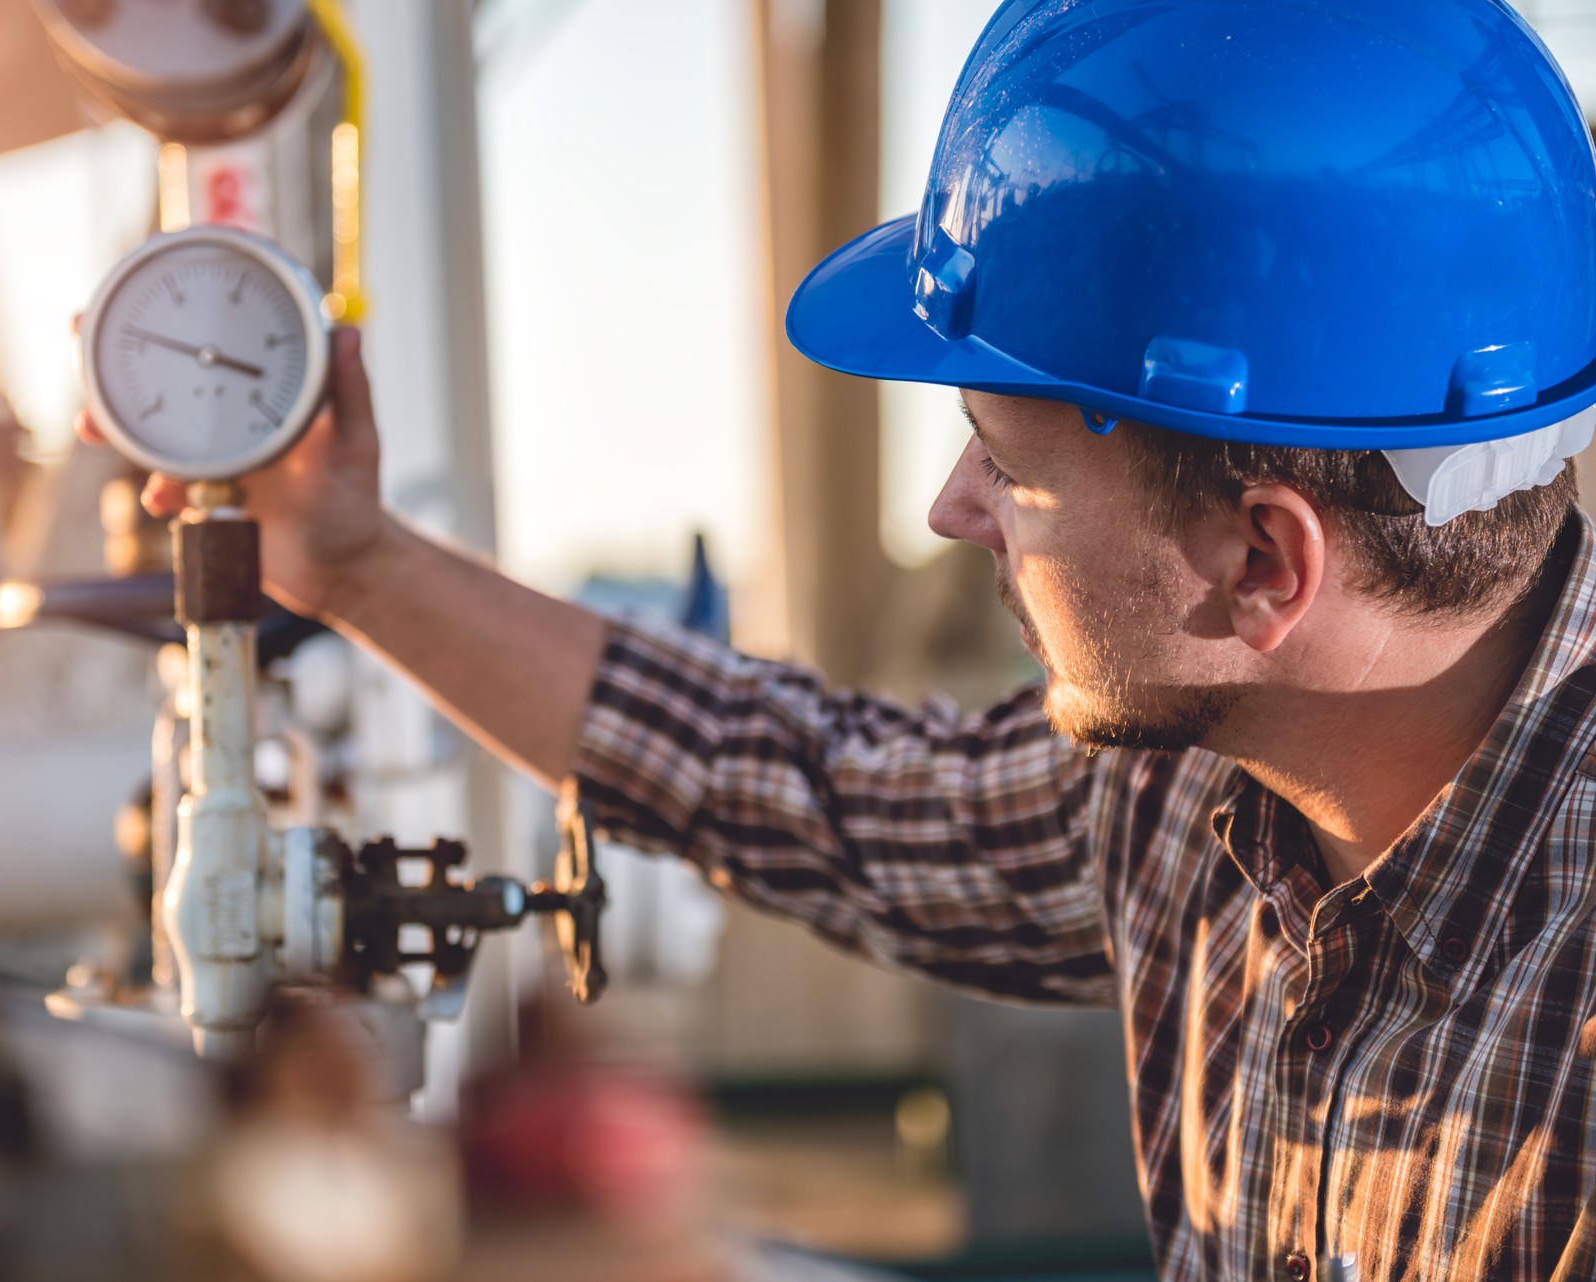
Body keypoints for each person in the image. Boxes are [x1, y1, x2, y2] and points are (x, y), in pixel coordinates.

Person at [84, 1, 1596, 1276]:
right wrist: (353, 561)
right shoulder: (1200, 787)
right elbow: (816, 783)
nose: (952, 508)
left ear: (1265, 560)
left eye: (1006, 460)